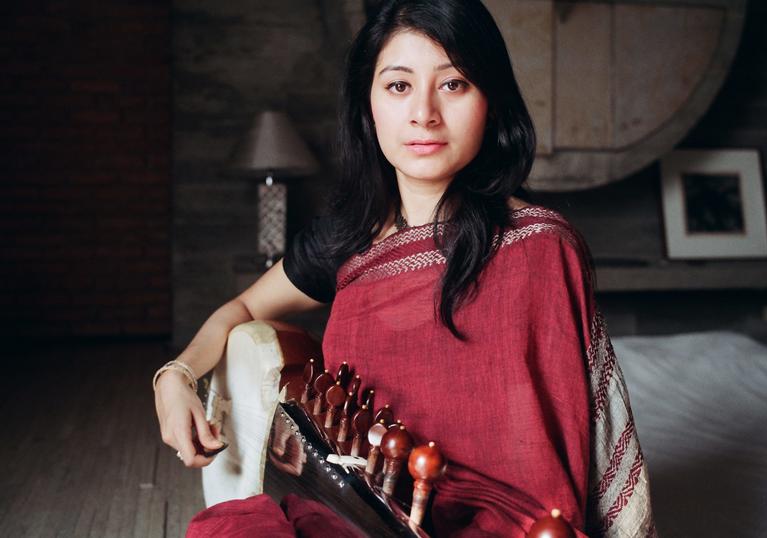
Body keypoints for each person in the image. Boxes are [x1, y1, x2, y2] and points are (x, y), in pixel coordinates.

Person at [154, 1, 656, 536]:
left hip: (508, 524)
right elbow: (246, 307)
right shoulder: (347, 238)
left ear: (492, 101)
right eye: (398, 86)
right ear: (368, 106)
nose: (424, 114)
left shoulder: (539, 246)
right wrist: (176, 376)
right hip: (363, 511)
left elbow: (556, 447)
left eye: (454, 84)